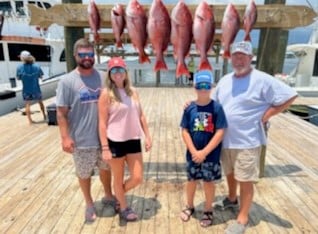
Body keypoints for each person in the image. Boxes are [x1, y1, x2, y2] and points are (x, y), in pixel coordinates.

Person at [212, 41, 298, 234]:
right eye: (235, 55)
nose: (239, 59)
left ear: (251, 58)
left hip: (248, 140)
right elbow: (214, 104)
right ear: (230, 57)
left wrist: (267, 115)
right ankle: (232, 199)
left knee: (246, 179)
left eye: (243, 55)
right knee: (230, 172)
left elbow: (290, 95)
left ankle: (242, 219)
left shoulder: (262, 79)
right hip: (226, 139)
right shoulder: (225, 79)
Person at [56, 38, 116, 223]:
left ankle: (108, 195)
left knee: (106, 169)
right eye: (83, 54)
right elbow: (61, 112)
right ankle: (89, 202)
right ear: (75, 56)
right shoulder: (66, 81)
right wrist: (65, 137)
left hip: (105, 138)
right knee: (84, 173)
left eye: (90, 54)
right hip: (81, 139)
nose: (87, 58)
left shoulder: (104, 77)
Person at [98, 56, 152, 222]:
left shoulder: (133, 92)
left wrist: (148, 136)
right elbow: (102, 123)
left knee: (137, 177)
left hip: (133, 139)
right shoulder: (106, 94)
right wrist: (105, 147)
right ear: (110, 74)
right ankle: (123, 207)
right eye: (114, 70)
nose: (118, 73)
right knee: (118, 177)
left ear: (126, 72)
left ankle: (118, 195)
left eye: (120, 69)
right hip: (115, 141)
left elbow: (141, 115)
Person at [179, 70, 227, 227]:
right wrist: (194, 152)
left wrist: (204, 152)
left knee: (208, 182)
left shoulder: (217, 108)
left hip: (211, 156)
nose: (203, 89)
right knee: (191, 181)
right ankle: (190, 206)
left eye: (207, 86)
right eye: (200, 86)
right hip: (192, 155)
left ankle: (208, 210)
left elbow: (220, 131)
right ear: (195, 87)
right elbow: (184, 130)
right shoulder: (189, 108)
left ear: (211, 86)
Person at [16, 50, 46, 124]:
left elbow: (18, 78)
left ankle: (30, 121)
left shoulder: (19, 67)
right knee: (40, 102)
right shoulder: (37, 66)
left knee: (27, 104)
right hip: (36, 88)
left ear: (23, 58)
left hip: (26, 90)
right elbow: (41, 76)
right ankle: (44, 116)